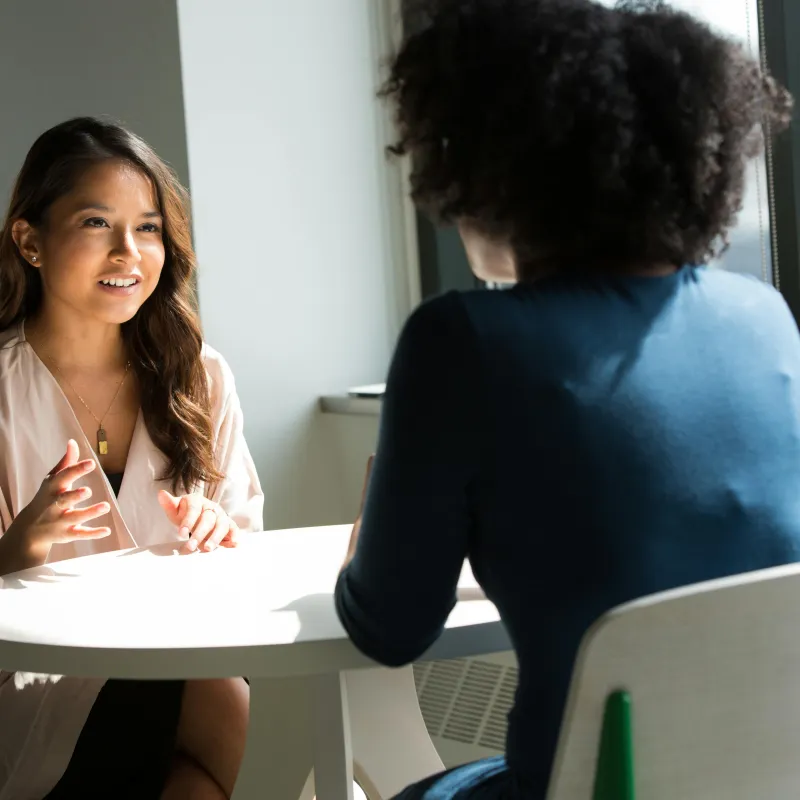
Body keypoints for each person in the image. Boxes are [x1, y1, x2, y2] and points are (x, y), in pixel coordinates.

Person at [334, 1, 798, 798]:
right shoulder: (764, 316)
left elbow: (389, 629)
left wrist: (364, 547)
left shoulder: (463, 342)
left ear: (492, 169)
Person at [0, 117, 263, 800]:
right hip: (31, 689)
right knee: (227, 710)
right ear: (30, 241)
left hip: (185, 664)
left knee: (211, 735)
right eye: (96, 223)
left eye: (148, 228)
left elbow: (249, 554)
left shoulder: (199, 376)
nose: (129, 252)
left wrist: (221, 534)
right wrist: (14, 551)